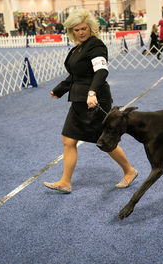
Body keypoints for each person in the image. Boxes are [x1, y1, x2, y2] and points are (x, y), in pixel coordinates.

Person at [43, 9, 138, 193]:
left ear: (91, 28)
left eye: (84, 28)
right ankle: (65, 182)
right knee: (68, 140)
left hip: (95, 101)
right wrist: (59, 90)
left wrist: (92, 92)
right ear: (72, 31)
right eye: (76, 29)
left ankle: (130, 170)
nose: (81, 32)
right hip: (79, 101)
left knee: (103, 141)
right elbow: (76, 75)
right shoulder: (77, 48)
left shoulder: (96, 46)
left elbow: (101, 71)